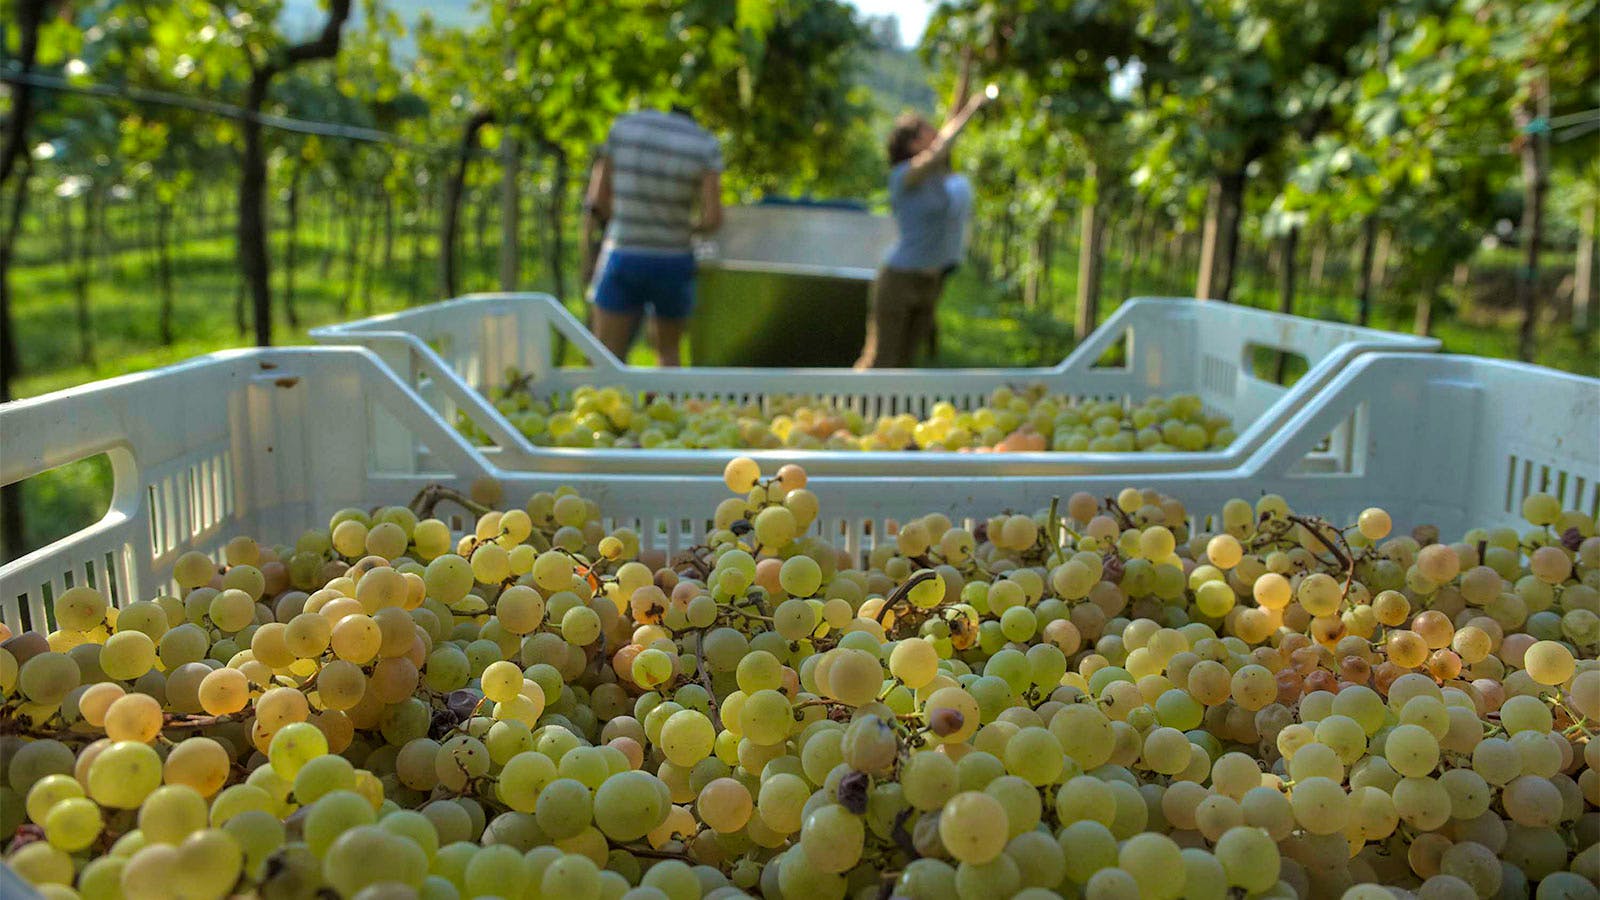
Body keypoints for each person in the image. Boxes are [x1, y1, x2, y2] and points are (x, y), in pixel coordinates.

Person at [855, 79, 989, 369]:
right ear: (912, 142)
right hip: (900, 278)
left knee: (906, 363)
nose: (936, 133)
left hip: (930, 281)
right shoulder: (904, 176)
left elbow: (950, 125)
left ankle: (891, 414)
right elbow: (945, 142)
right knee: (881, 359)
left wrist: (966, 67)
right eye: (928, 130)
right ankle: (850, 409)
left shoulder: (937, 174)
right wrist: (974, 108)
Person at [581, 106, 723, 367]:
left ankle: (605, 407)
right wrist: (678, 227)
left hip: (624, 252)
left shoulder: (623, 129)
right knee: (668, 353)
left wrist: (626, 220)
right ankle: (664, 405)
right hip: (674, 259)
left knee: (606, 356)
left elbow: (598, 201)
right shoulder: (704, 143)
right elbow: (713, 218)